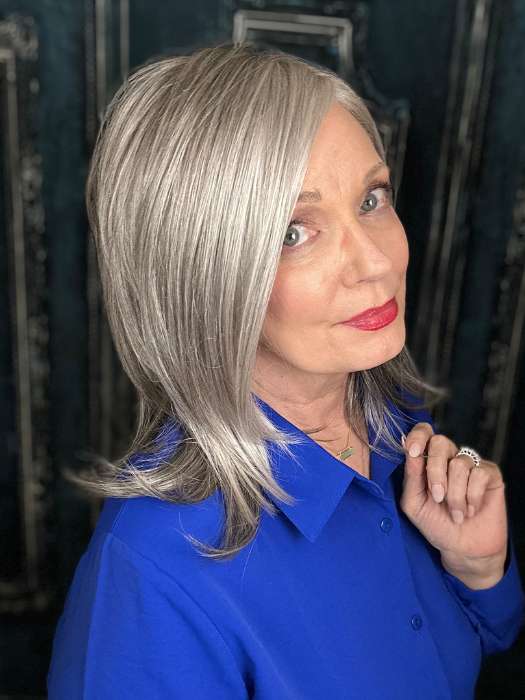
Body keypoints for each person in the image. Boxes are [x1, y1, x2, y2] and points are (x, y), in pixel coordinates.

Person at [47, 41, 524, 699]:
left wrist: (479, 570)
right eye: (292, 233)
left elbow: (463, 652)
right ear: (201, 276)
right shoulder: (153, 579)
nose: (377, 262)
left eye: (371, 198)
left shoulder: (389, 416)